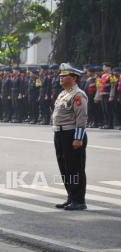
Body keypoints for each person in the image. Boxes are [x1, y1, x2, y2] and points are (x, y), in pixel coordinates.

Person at [52, 63, 88, 211]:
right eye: (60, 76)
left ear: (73, 78)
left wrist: (78, 138)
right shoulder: (63, 93)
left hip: (72, 134)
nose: (60, 78)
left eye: (64, 76)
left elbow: (82, 118)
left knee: (75, 168)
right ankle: (71, 197)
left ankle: (79, 200)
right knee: (65, 168)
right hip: (60, 133)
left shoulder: (78, 95)